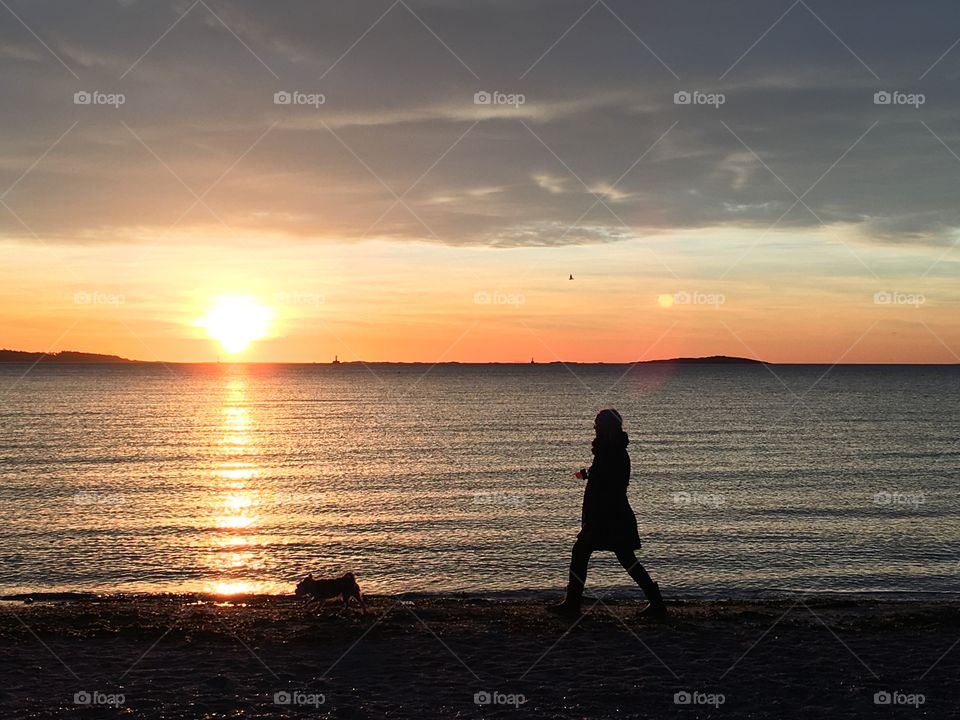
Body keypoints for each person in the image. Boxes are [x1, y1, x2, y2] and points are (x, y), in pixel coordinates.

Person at [549, 408, 667, 618]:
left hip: (608, 516)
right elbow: (603, 476)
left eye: (597, 424)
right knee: (623, 558)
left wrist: (595, 512)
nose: (594, 428)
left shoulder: (613, 453)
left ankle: (572, 603)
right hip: (611, 516)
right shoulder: (610, 451)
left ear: (606, 427)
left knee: (584, 553)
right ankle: (656, 602)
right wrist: (587, 474)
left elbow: (610, 485)